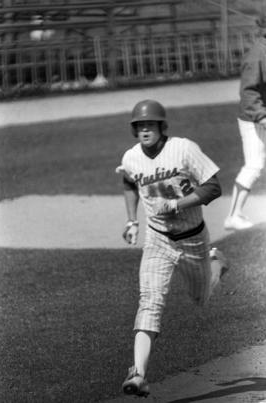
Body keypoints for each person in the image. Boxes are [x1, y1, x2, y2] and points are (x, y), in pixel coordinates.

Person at [116, 99, 228, 397]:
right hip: (158, 240)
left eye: (149, 124)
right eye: (139, 126)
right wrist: (132, 221)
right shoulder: (131, 158)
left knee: (201, 297)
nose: (144, 130)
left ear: (162, 127)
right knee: (150, 302)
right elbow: (129, 182)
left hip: (193, 239)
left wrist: (177, 203)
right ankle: (138, 373)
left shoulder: (183, 149)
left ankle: (216, 261)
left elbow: (214, 187)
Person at [224, 15, 266, 231]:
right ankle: (233, 215)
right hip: (253, 119)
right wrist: (261, 116)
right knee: (254, 165)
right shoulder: (257, 54)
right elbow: (248, 91)